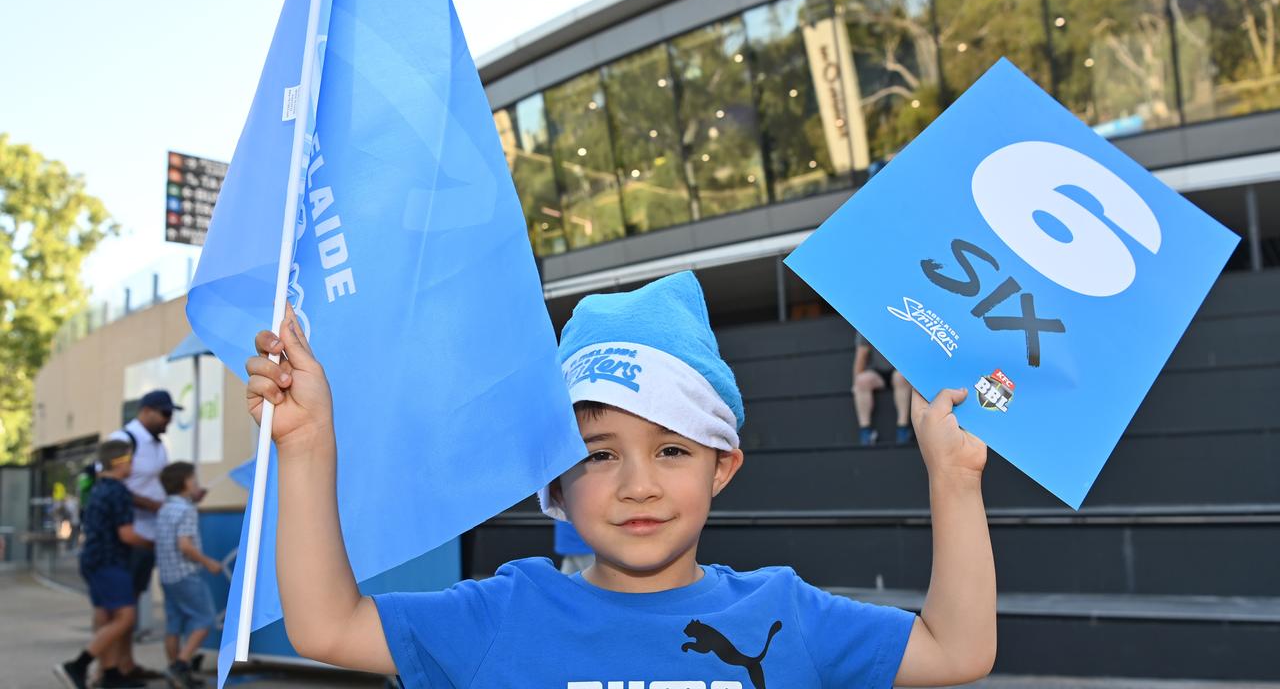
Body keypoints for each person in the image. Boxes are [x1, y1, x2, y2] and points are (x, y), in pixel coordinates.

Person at [244, 272, 996, 687]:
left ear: (722, 466)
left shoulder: (785, 613)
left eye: (672, 451)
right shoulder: (507, 612)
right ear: (555, 483)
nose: (638, 484)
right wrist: (307, 448)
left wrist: (954, 482)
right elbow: (327, 626)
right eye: (600, 454)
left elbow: (957, 652)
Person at [54, 440, 152, 689]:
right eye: (130, 459)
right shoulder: (119, 491)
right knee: (126, 617)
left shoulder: (99, 488)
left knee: (107, 617)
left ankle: (110, 675)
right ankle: (78, 665)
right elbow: (127, 535)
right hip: (110, 561)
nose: (132, 465)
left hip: (93, 560)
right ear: (120, 463)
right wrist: (153, 542)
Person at [108, 389, 184, 681]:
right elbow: (113, 486)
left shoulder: (159, 446)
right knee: (120, 606)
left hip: (150, 536)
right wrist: (151, 504)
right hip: (128, 535)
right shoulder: (123, 440)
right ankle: (111, 668)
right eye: (165, 414)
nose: (169, 420)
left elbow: (159, 485)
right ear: (147, 411)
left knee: (133, 601)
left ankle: (126, 664)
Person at [156, 462, 221, 688]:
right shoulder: (187, 510)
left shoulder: (165, 508)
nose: (197, 484)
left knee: (174, 625)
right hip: (187, 575)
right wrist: (209, 562)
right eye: (194, 480)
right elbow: (185, 545)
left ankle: (175, 672)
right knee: (204, 620)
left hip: (167, 577)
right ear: (185, 483)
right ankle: (180, 666)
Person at [852, 332, 912, 445]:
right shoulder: (866, 322)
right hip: (878, 371)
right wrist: (855, 383)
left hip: (900, 369)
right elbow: (861, 354)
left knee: (900, 377)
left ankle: (903, 428)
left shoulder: (902, 322)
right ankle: (865, 432)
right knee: (861, 381)